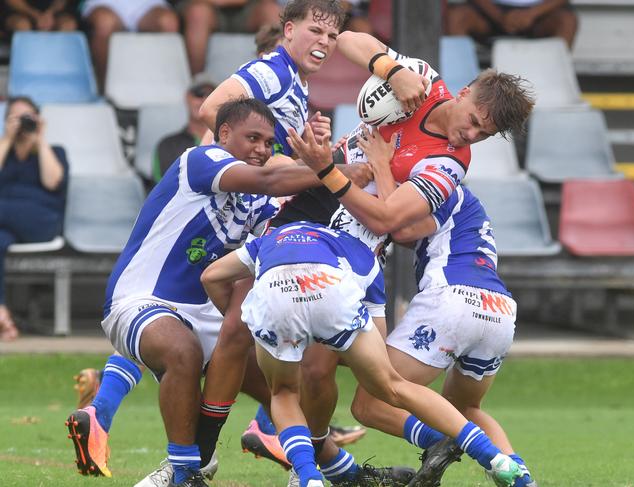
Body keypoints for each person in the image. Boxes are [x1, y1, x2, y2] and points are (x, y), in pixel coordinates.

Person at [64, 98, 370, 486]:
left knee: (285, 380)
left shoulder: (257, 204)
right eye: (252, 138)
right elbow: (271, 180)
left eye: (268, 143)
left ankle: (340, 470)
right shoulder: (200, 160)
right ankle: (185, 470)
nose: (261, 149)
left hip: (203, 313)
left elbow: (280, 207)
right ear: (224, 134)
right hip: (142, 298)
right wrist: (336, 172)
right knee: (182, 352)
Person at [193, 2, 426, 484]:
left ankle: (314, 457)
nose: (324, 40)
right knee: (230, 333)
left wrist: (310, 149)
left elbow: (281, 157)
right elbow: (213, 112)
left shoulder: (296, 85)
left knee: (266, 348)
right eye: (315, 30)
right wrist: (277, 159)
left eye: (332, 33)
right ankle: (195, 458)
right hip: (234, 208)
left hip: (258, 215)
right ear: (289, 29)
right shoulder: (270, 71)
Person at [201, 221, 525, 487]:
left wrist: (256, 323)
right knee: (391, 386)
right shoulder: (364, 255)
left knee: (284, 393)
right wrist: (336, 341)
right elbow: (375, 341)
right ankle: (493, 457)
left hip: (274, 295)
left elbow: (211, 276)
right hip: (328, 287)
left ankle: (309, 479)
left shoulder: (269, 238)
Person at [337, 126, 538, 486]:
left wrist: (381, 166)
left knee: (370, 402)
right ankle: (521, 478)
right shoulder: (466, 202)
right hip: (499, 309)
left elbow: (399, 228)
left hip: (453, 301)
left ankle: (442, 443)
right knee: (466, 410)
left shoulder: (442, 187)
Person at [0, 96, 68, 342]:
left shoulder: (55, 151)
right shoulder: (3, 151)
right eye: (16, 117)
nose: (22, 123)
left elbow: (52, 181)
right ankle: (2, 312)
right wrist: (7, 139)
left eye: (27, 117)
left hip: (41, 221)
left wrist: (39, 138)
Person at [79, 0, 180, 92]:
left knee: (168, 22)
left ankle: (164, 91)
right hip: (104, 2)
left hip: (146, 3)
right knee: (104, 22)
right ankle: (105, 90)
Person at [180, 0, 282, 75]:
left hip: (249, 8)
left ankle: (277, 78)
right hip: (202, 6)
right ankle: (198, 84)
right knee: (198, 14)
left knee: (272, 12)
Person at [152, 73, 217, 184]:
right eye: (199, 94)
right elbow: (165, 188)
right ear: (187, 97)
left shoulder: (227, 142)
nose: (205, 100)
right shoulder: (167, 145)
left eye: (211, 95)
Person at [446, 0, 578, 49]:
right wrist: (499, 16)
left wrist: (531, 14)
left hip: (539, 12)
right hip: (490, 10)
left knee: (566, 21)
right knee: (456, 17)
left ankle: (553, 80)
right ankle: (460, 81)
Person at [2, 0, 78, 32]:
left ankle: (59, 60)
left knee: (68, 24)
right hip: (21, 11)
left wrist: (50, 12)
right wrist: (35, 15)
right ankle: (30, 61)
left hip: (54, 12)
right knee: (22, 25)